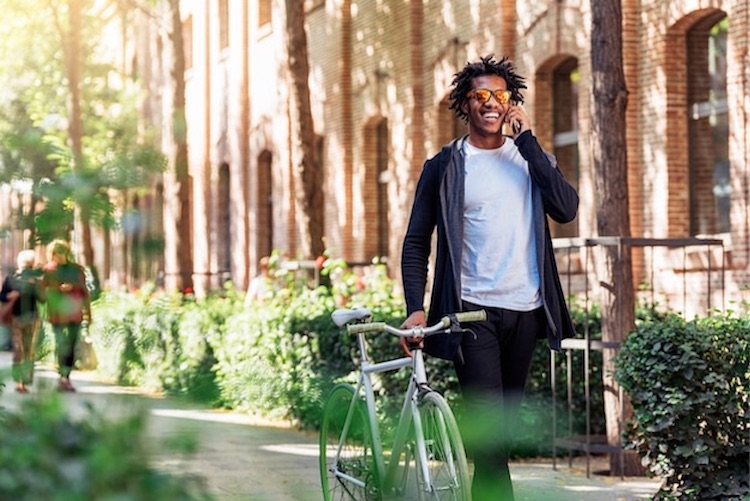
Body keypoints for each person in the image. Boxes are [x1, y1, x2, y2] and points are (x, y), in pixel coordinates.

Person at [400, 54, 579, 500]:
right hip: (471, 315)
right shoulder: (444, 167)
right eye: (480, 95)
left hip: (526, 310)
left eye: (499, 96)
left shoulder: (529, 158)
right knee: (491, 443)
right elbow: (417, 241)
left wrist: (531, 143)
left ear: (511, 102)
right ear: (466, 103)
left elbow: (567, 209)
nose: (490, 103)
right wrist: (415, 309)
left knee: (500, 439)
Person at [42, 239, 91, 392]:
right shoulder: (49, 271)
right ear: (52, 255)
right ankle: (62, 377)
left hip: (74, 314)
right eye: (56, 253)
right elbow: (42, 292)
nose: (59, 256)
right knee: (61, 344)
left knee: (71, 345)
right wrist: (57, 289)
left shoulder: (76, 270)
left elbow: (84, 292)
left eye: (62, 253)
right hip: (57, 314)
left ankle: (66, 377)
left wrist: (88, 313)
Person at [0, 250, 45, 393]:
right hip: (16, 319)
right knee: (18, 349)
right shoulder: (11, 279)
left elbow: (43, 299)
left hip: (32, 318)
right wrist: (9, 296)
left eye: (29, 264)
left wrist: (37, 286)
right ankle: (19, 381)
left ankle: (25, 381)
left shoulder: (36, 280)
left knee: (29, 350)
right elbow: (1, 296)